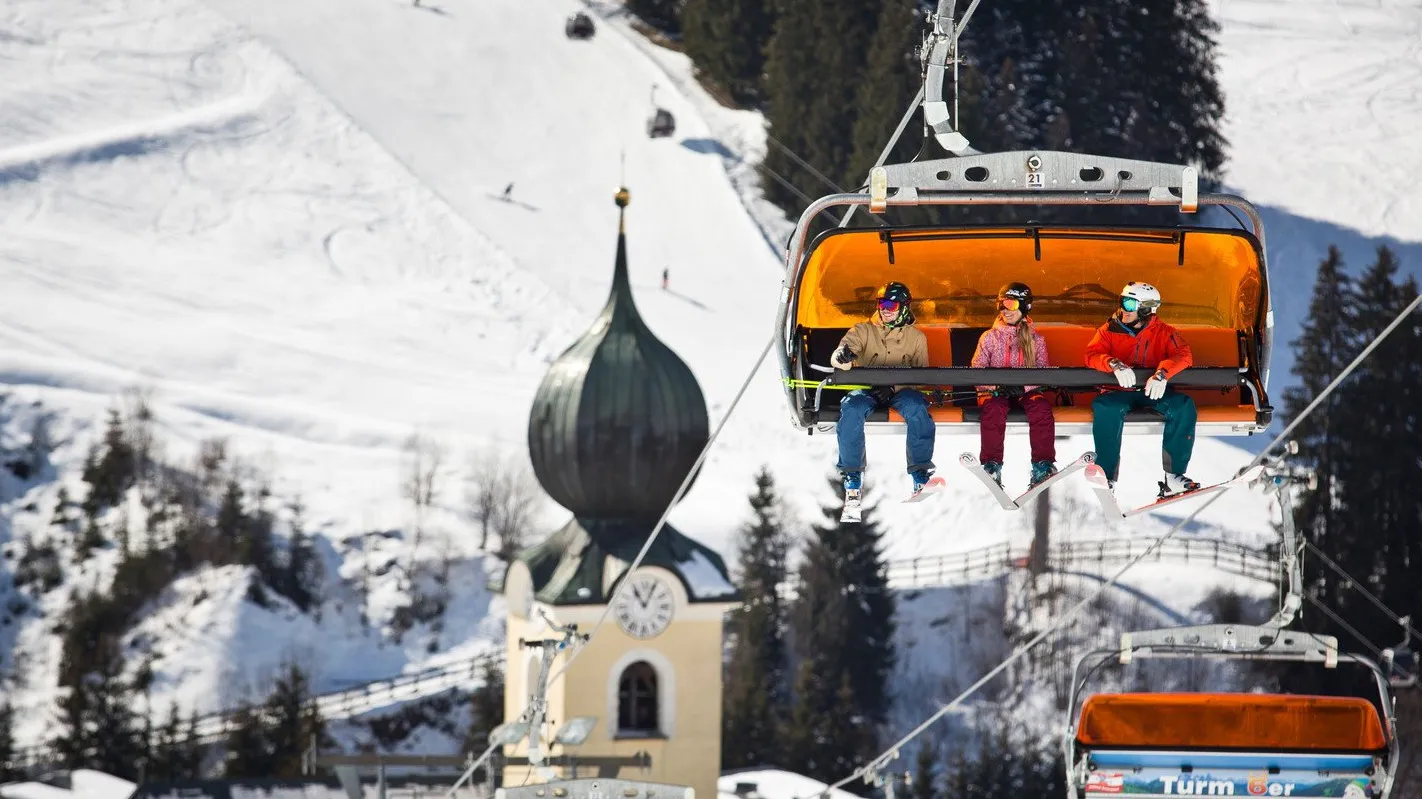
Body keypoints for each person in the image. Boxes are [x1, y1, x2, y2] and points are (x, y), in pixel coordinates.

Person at [1085, 282, 1200, 498]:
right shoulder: (1109, 329)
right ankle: (1106, 475)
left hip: (1152, 391)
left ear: (1146, 309)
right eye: (1122, 302)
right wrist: (1113, 364)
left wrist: (1162, 374)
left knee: (1183, 406)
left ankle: (1174, 476)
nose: (1123, 309)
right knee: (1105, 408)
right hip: (1118, 391)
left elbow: (1184, 355)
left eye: (1129, 304)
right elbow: (1091, 355)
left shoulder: (1164, 332)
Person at [830, 281, 936, 514]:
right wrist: (843, 356)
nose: (885, 309)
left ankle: (920, 472)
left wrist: (894, 387)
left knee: (917, 407)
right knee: (852, 407)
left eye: (891, 304)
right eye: (881, 303)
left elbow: (921, 375)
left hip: (900, 392)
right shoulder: (862, 330)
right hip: (867, 389)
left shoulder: (916, 338)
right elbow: (839, 357)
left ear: (904, 308)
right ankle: (852, 475)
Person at [971, 282, 1056, 489]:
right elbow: (977, 369)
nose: (1004, 310)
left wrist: (1023, 387)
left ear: (1024, 307)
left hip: (1025, 393)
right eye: (1001, 304)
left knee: (1041, 409)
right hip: (996, 393)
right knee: (994, 409)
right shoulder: (990, 337)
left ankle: (1042, 464)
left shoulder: (1036, 340)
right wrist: (996, 387)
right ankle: (992, 464)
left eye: (1010, 304)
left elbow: (1043, 372)